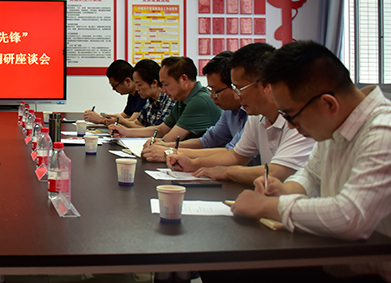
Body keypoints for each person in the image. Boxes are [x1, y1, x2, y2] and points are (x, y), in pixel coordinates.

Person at [230, 41, 391, 282]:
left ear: (328, 103)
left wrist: (266, 206)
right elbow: (312, 175)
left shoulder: (383, 131)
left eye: (291, 115)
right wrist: (284, 189)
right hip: (339, 260)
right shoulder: (336, 123)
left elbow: (349, 215)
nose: (291, 125)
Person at [166, 43, 314, 185]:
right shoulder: (257, 117)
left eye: (239, 88)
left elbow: (276, 173)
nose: (237, 96)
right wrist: (193, 163)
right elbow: (236, 156)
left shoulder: (299, 119)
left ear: (266, 85)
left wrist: (226, 172)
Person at [142, 51, 247, 162]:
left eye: (216, 91)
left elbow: (233, 153)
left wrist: (169, 151)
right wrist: (166, 146)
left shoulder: (252, 113)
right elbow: (207, 142)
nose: (212, 96)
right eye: (211, 90)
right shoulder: (229, 111)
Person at [110, 56, 220, 142]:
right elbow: (161, 130)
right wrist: (126, 132)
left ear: (183, 79)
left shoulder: (199, 101)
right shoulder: (181, 100)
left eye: (166, 84)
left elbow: (169, 138)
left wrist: (156, 144)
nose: (163, 90)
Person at [84, 60, 147, 125]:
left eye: (114, 85)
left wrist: (102, 120)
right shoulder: (132, 95)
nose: (113, 89)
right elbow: (123, 116)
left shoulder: (142, 94)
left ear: (127, 81)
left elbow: (133, 122)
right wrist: (103, 117)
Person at [118, 59, 174, 129]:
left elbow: (158, 130)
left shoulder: (169, 99)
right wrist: (120, 124)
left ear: (154, 83)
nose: (136, 89)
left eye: (139, 85)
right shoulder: (150, 100)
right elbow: (138, 123)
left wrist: (124, 123)